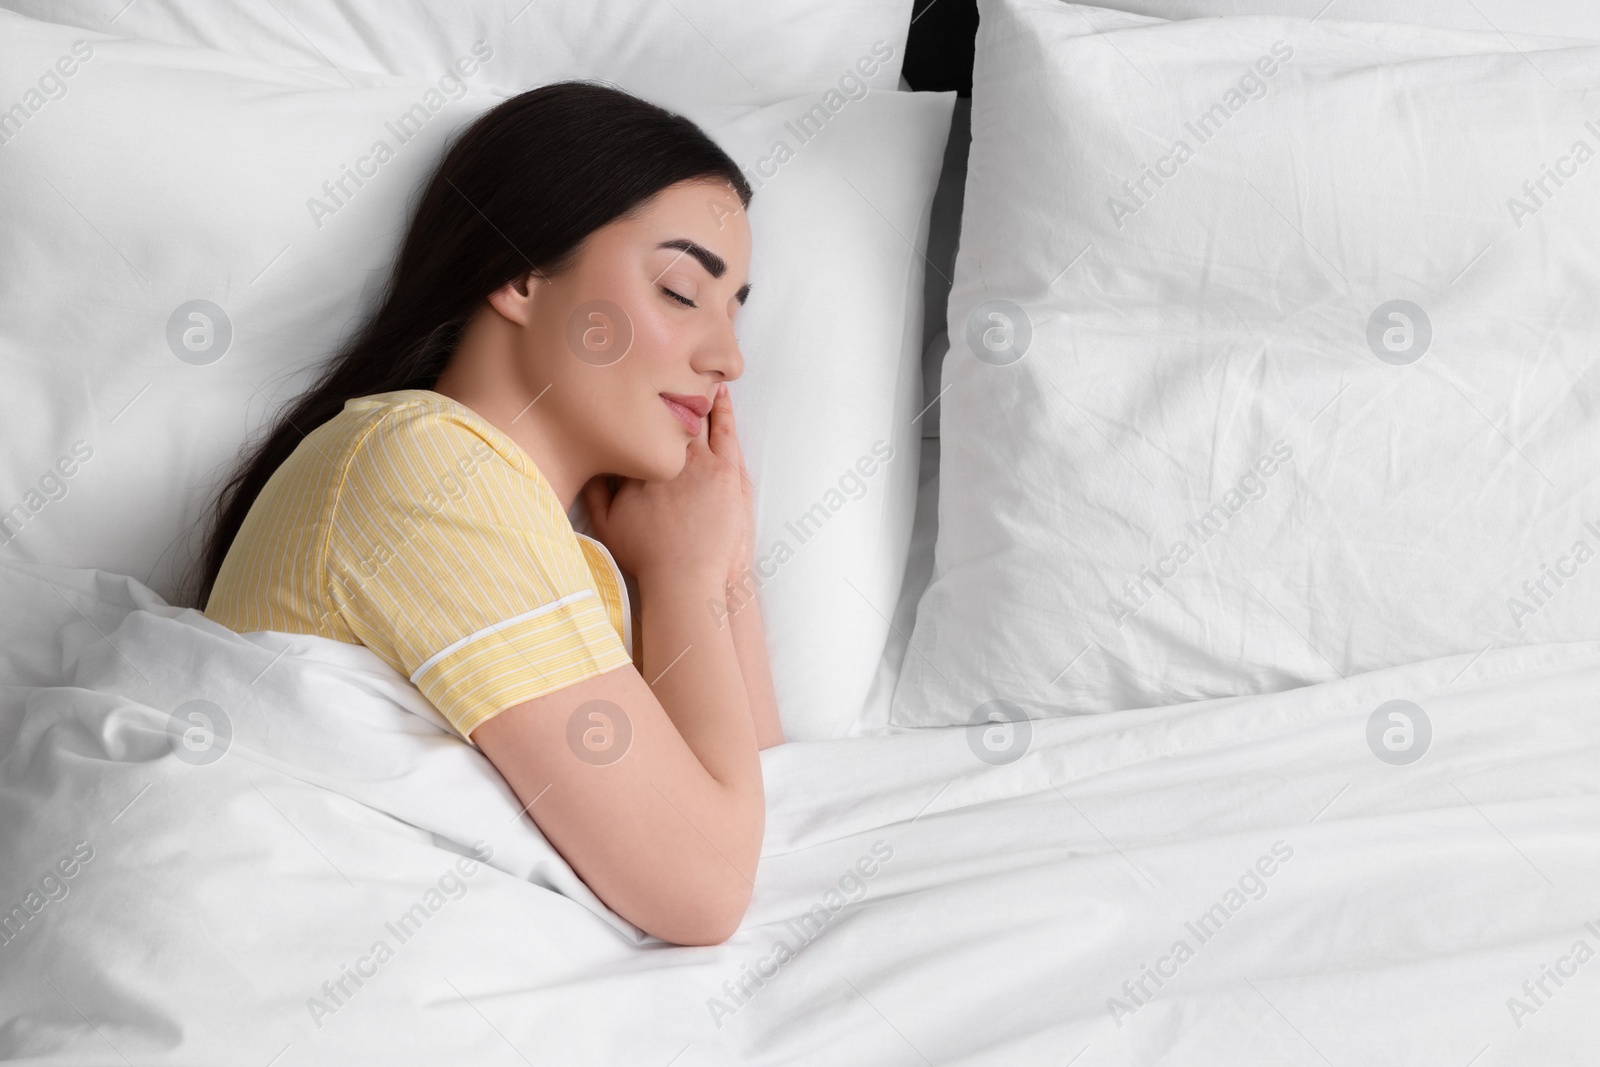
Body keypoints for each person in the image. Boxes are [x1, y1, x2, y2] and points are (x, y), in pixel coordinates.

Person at [189, 81, 782, 947]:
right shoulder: (430, 468)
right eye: (683, 291)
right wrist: (688, 576)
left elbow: (772, 799)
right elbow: (705, 885)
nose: (727, 357)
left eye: (737, 310)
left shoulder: (528, 527)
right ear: (522, 274)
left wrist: (715, 564)